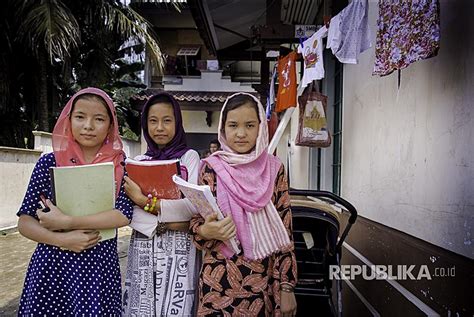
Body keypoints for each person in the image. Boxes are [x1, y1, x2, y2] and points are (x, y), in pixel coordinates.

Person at [16, 87, 133, 316]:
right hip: (52, 268)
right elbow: (25, 221)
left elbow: (123, 214)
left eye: (99, 119)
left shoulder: (121, 167)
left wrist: (68, 221)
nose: (88, 125)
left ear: (111, 125)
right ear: (69, 121)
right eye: (80, 117)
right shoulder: (50, 163)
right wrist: (62, 239)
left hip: (99, 269)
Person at [190, 93, 298, 317]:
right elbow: (196, 222)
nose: (240, 133)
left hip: (262, 280)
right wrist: (204, 230)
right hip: (218, 280)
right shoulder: (210, 168)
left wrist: (286, 286)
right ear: (223, 128)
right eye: (233, 125)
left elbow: (285, 230)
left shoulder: (274, 169)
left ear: (261, 127)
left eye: (249, 125)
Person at [123, 92, 201, 316]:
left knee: (177, 307)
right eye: (153, 121)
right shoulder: (138, 162)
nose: (159, 127)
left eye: (167, 120)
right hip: (143, 246)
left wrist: (143, 201)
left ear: (177, 122)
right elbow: (130, 212)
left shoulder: (189, 158)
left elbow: (192, 207)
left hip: (180, 251)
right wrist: (164, 219)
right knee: (142, 306)